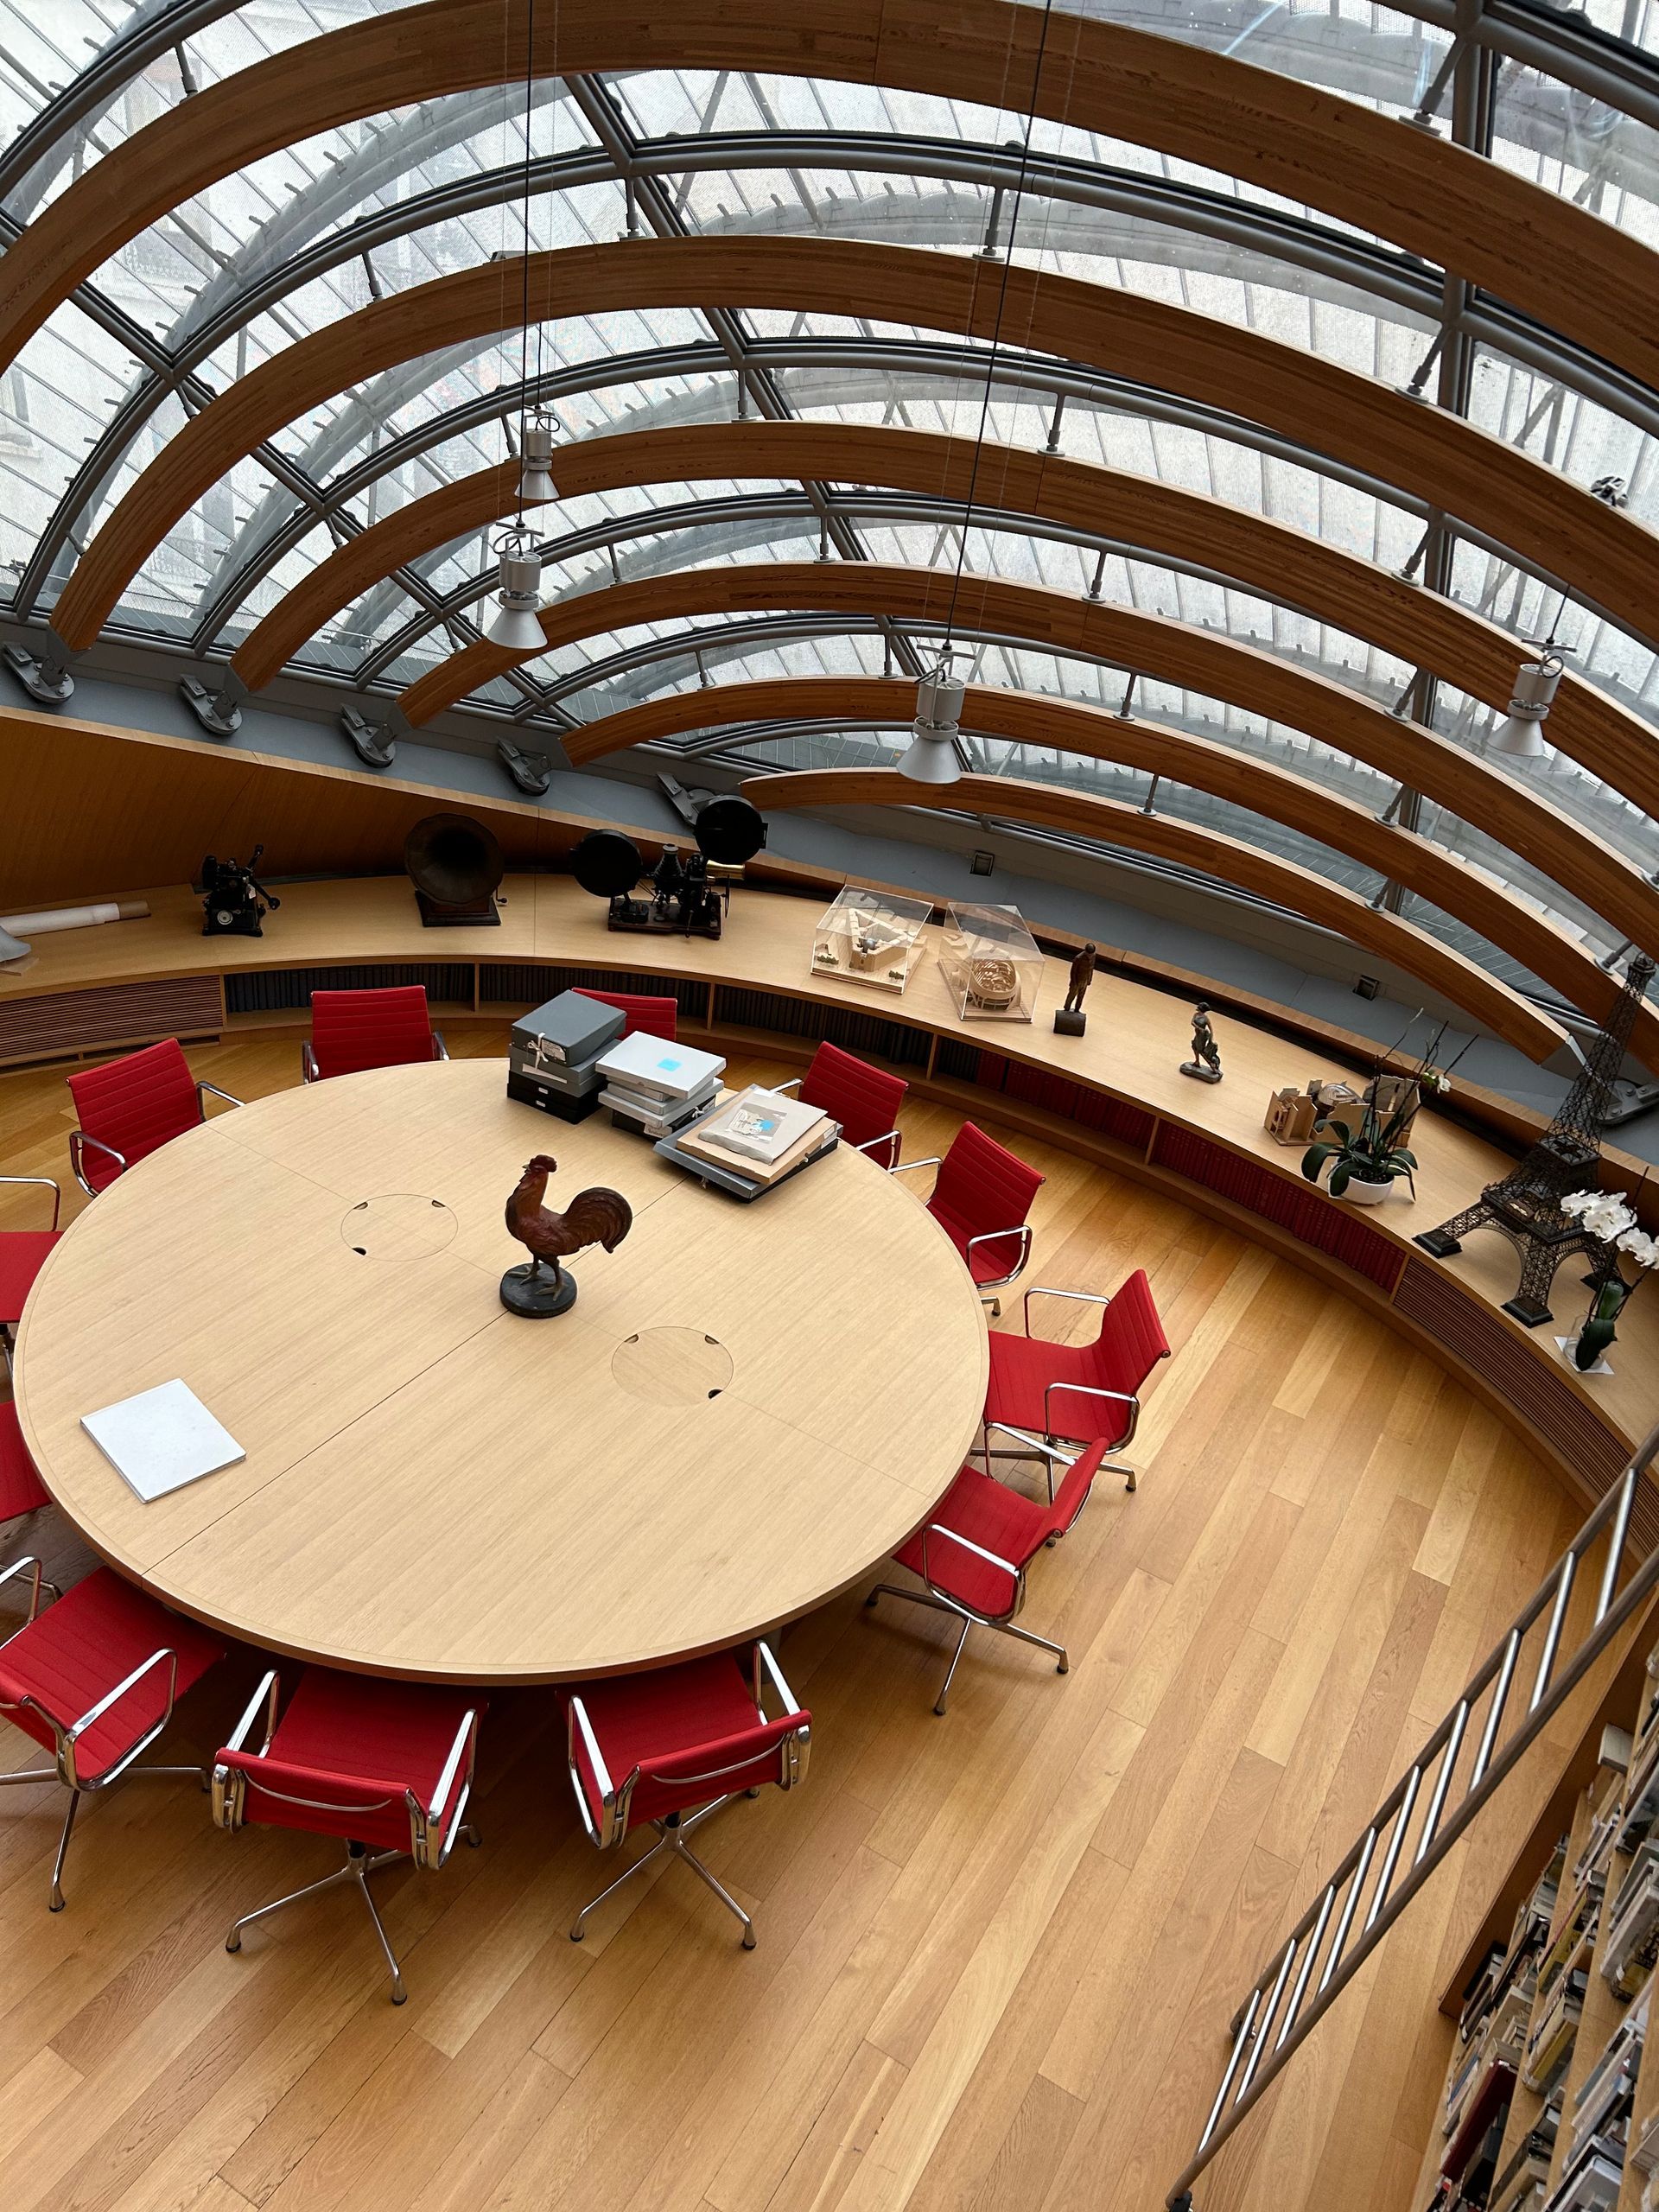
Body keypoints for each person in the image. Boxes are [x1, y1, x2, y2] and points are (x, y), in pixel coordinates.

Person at [1064, 942, 1096, 1015]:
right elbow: (1073, 972)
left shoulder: (1094, 956)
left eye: (1091, 954)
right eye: (1088, 954)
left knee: (1081, 996)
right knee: (1072, 995)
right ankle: (1066, 1008)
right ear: (1085, 951)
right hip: (1077, 981)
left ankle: (1077, 1009)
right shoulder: (1078, 958)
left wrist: (1090, 979)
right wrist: (1074, 982)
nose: (1090, 956)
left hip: (1085, 981)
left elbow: (1091, 969)